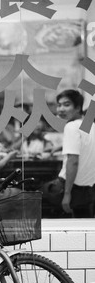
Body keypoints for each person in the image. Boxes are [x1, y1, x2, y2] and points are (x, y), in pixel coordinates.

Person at [56, 89, 95, 218]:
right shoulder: (91, 126)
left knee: (34, 194)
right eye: (59, 105)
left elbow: (73, 161)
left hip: (72, 188)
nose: (61, 109)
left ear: (78, 108)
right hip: (88, 189)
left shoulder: (71, 127)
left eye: (66, 105)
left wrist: (67, 194)